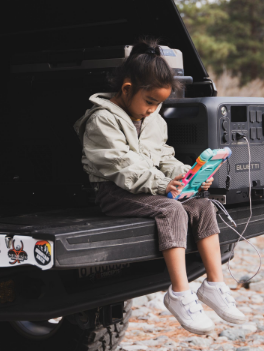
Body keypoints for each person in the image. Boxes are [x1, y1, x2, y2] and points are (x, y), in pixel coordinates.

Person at [74, 38, 246, 335]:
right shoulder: (102, 120)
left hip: (150, 187)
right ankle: (179, 292)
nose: (154, 109)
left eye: (159, 104)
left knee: (203, 206)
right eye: (150, 101)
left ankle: (214, 285)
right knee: (171, 210)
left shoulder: (152, 119)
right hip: (113, 191)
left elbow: (164, 157)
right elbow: (121, 166)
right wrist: (164, 184)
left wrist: (189, 175)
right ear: (127, 89)